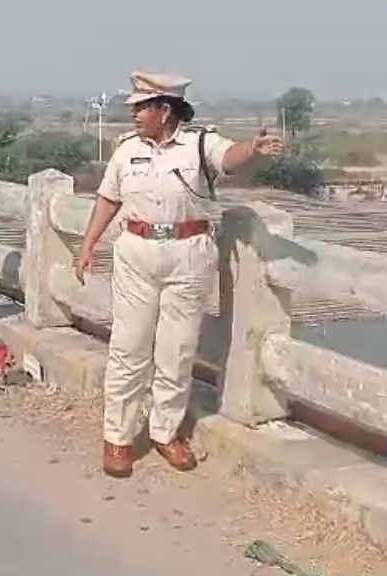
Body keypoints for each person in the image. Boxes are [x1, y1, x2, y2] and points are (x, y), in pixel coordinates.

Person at [74, 71, 283, 479]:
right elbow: (108, 198)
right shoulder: (126, 151)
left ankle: (165, 432)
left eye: (141, 107)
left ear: (164, 110)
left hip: (189, 254)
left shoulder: (198, 144)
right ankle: (117, 438)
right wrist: (87, 245)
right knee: (128, 348)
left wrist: (254, 150)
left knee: (177, 349)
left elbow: (230, 158)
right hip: (137, 252)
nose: (133, 114)